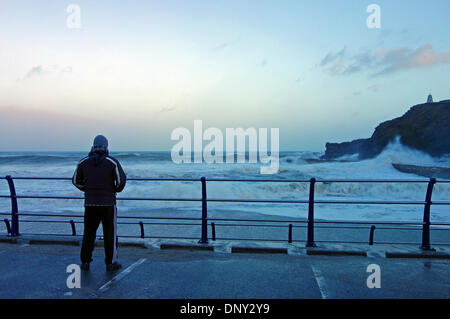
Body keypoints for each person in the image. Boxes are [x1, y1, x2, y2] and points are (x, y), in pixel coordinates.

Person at [72, 135, 126, 272]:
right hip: (108, 203)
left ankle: (85, 262)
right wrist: (114, 190)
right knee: (110, 233)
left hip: (90, 204)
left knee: (89, 233)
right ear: (106, 146)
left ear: (93, 145)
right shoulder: (111, 162)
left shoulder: (83, 162)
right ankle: (110, 263)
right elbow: (121, 182)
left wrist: (87, 189)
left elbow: (75, 181)